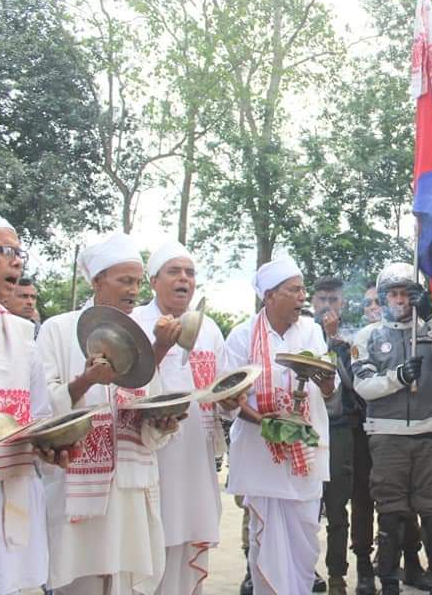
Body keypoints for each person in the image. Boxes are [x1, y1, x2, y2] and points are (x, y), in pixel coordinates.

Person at [38, 232, 180, 594]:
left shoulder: (144, 336)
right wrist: (85, 381)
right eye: (124, 280)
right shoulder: (59, 329)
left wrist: (162, 423)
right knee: (80, 583)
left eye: (136, 281)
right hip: (76, 490)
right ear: (97, 281)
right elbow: (40, 408)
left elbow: (152, 404)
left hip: (131, 489)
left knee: (124, 580)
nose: (133, 289)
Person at [225, 256, 338, 595]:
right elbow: (228, 396)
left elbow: (327, 391)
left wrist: (327, 381)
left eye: (303, 289)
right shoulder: (242, 336)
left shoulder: (313, 332)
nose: (303, 297)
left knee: (305, 536)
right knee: (266, 541)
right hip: (261, 456)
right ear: (270, 295)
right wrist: (264, 422)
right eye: (295, 290)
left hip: (305, 453)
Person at [131, 240, 237, 595]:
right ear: (153, 281)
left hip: (197, 456)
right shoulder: (136, 325)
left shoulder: (208, 329)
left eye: (190, 273)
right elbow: (127, 389)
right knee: (150, 541)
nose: (184, 279)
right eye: (174, 272)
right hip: (151, 456)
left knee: (188, 539)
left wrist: (234, 399)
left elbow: (223, 393)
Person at [0, 202, 65, 595]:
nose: (16, 263)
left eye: (19, 254)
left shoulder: (23, 337)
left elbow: (39, 417)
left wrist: (52, 447)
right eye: (4, 251)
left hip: (11, 504)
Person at [352, 263, 432, 595]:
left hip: (430, 433)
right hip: (387, 436)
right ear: (383, 298)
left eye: (407, 294)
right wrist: (398, 377)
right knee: (391, 514)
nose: (401, 300)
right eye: (394, 294)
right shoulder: (368, 335)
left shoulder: (430, 331)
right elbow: (363, 386)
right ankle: (388, 581)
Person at [311, 276, 361, 595]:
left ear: (342, 303)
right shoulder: (300, 334)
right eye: (322, 300)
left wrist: (334, 341)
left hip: (340, 429)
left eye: (334, 300)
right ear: (312, 302)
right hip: (308, 430)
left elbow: (354, 383)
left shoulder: (352, 338)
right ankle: (305, 570)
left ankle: (337, 576)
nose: (327, 306)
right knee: (305, 508)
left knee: (338, 507)